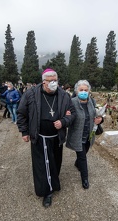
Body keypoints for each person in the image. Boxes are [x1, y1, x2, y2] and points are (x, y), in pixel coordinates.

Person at [17, 68, 75, 208]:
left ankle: (53, 183)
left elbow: (72, 113)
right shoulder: (31, 93)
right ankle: (46, 192)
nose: (54, 83)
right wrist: (24, 132)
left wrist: (63, 121)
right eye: (50, 81)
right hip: (40, 136)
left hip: (57, 136)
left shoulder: (64, 95)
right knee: (42, 165)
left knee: (55, 162)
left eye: (56, 80)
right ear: (44, 82)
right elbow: (21, 113)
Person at [66, 80, 103, 189]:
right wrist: (66, 116)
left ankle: (77, 163)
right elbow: (68, 118)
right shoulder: (72, 102)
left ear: (89, 91)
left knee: (84, 152)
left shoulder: (92, 101)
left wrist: (100, 120)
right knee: (82, 157)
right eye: (81, 90)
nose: (83, 92)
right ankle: (85, 179)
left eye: (86, 90)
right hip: (78, 135)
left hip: (88, 135)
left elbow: (97, 115)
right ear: (76, 91)